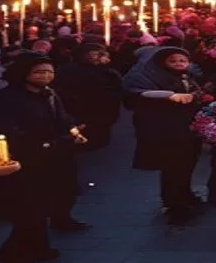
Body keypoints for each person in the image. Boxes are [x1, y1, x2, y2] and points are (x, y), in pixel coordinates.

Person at [0, 52, 89, 263]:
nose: (46, 76)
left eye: (50, 72)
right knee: (29, 209)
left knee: (43, 205)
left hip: (53, 157)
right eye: (39, 72)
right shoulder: (7, 99)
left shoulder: (49, 94)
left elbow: (62, 118)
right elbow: (8, 132)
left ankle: (39, 248)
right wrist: (49, 143)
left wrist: (73, 132)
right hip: (28, 160)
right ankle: (13, 252)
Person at [122, 46, 204, 225]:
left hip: (188, 127)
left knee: (187, 164)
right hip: (167, 130)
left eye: (182, 60)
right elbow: (136, 94)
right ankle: (174, 205)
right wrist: (168, 96)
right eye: (172, 61)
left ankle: (185, 195)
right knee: (173, 167)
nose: (178, 64)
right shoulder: (151, 77)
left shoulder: (189, 76)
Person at [53, 43, 122, 150]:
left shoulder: (107, 71)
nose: (99, 57)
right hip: (82, 106)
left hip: (97, 107)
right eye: (96, 54)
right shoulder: (69, 70)